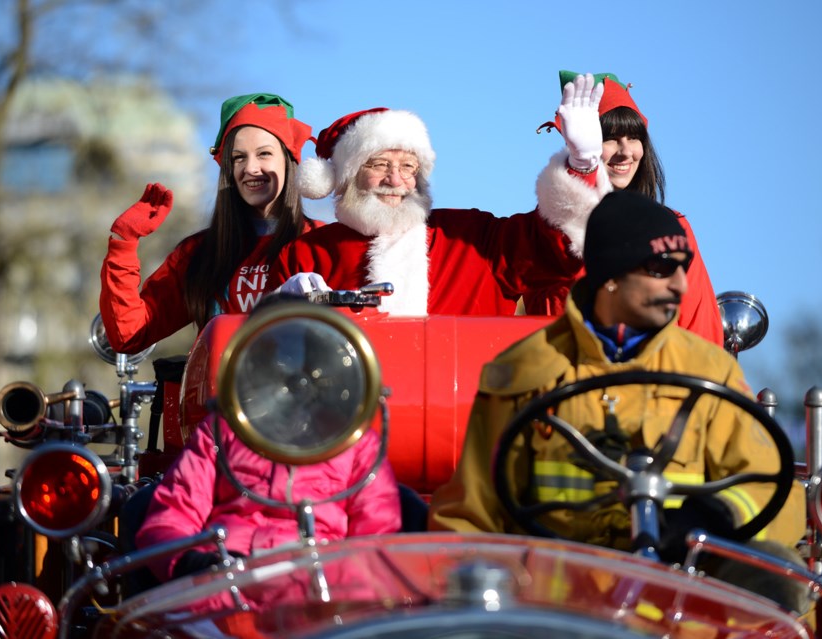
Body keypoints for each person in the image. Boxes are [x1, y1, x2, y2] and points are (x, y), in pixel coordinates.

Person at [428, 191, 806, 588]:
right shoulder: (524, 372)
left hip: (680, 617)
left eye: (683, 268)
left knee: (782, 576)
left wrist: (719, 517)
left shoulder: (712, 373)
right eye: (662, 268)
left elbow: (778, 494)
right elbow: (469, 520)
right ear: (610, 276)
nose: (681, 285)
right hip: (555, 617)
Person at [272, 74, 611, 316]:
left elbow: (554, 251)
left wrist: (580, 167)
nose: (396, 179)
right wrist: (280, 316)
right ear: (344, 177)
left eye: (408, 166)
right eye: (378, 164)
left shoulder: (472, 237)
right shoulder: (304, 255)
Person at [135, 292, 402, 582]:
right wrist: (191, 563)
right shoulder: (222, 431)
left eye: (299, 359)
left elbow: (375, 540)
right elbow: (170, 516)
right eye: (274, 357)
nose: (289, 375)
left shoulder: (354, 441)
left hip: (321, 595)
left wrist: (342, 589)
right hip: (228, 585)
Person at [99, 93, 321, 354]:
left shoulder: (321, 242)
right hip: (217, 393)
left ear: (289, 160)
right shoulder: (200, 253)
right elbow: (129, 335)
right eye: (238, 157)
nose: (251, 168)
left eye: (264, 154)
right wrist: (123, 244)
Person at [522, 71, 723, 347]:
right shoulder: (549, 233)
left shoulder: (673, 228)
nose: (626, 151)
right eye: (611, 138)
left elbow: (699, 329)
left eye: (634, 137)